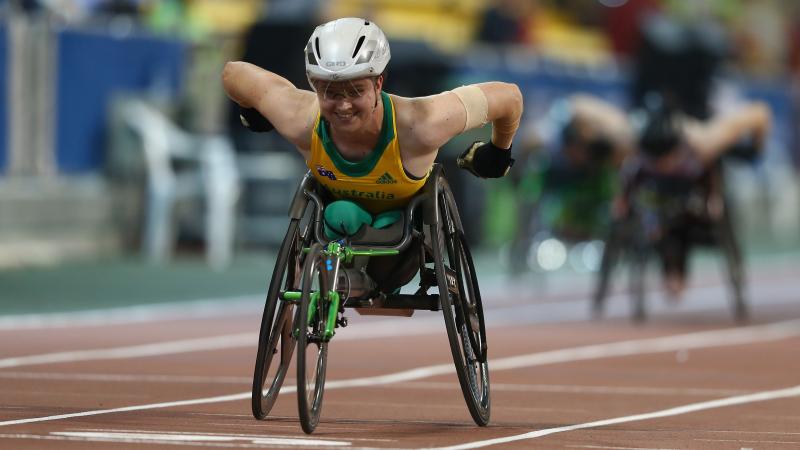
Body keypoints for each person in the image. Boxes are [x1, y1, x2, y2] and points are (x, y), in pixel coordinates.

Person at [223, 17, 523, 291]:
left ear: (378, 82)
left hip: (404, 237)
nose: (343, 105)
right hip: (337, 230)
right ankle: (338, 275)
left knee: (383, 231)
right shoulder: (300, 118)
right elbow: (234, 74)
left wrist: (498, 153)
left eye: (355, 91)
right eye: (330, 92)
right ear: (314, 86)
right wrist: (251, 110)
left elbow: (509, 96)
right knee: (339, 215)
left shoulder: (423, 123)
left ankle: (361, 278)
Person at [615, 98, 771, 299]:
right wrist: (623, 201)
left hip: (693, 210)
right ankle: (672, 273)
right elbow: (630, 178)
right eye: (658, 162)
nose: (664, 165)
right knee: (664, 229)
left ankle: (677, 273)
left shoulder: (703, 146)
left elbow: (759, 113)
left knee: (684, 224)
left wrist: (713, 200)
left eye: (668, 160)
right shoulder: (639, 151)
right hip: (660, 214)